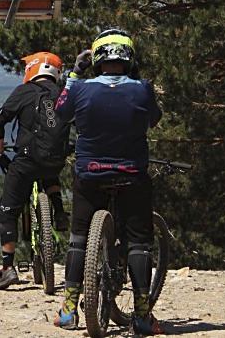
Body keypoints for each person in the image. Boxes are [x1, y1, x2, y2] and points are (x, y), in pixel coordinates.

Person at [52, 30, 163, 334]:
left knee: (78, 238)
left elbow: (60, 112)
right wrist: (138, 78)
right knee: (138, 243)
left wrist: (75, 72)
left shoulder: (81, 89)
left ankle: (68, 309)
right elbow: (154, 118)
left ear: (97, 59)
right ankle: (141, 315)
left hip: (90, 173)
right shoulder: (142, 89)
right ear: (129, 60)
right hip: (132, 175)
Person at [0, 52, 71, 290]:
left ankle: (7, 267)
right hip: (55, 160)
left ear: (33, 69)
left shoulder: (24, 92)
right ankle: (58, 210)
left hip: (26, 160)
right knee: (48, 170)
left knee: (7, 212)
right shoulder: (63, 94)